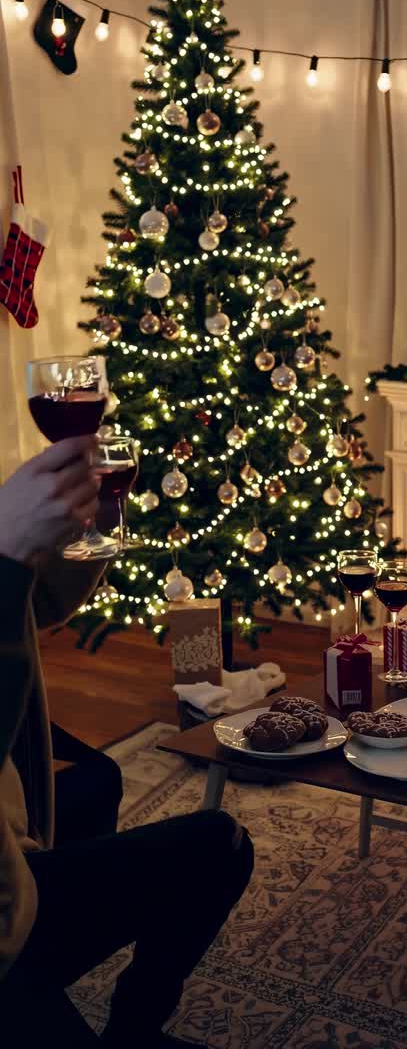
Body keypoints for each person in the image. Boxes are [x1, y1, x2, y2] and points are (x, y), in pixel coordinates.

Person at [0, 434, 254, 1048]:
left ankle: (131, 1024)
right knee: (218, 842)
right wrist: (5, 558)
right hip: (6, 913)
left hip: (11, 851)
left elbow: (39, 605)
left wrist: (98, 523)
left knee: (103, 781)